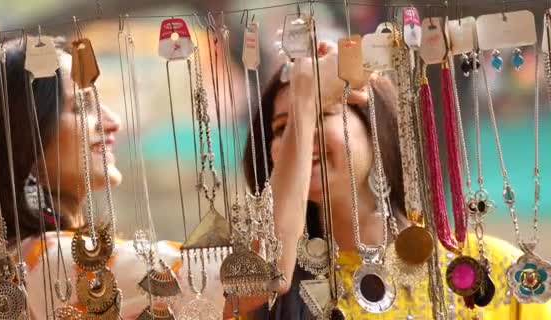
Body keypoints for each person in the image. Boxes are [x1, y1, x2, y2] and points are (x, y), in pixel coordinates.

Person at [231, 42, 551, 319]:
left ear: (375, 131)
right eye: (280, 129)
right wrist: (302, 99)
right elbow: (265, 281)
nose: (296, 142)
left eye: (322, 114)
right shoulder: (255, 284)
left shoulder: (495, 268)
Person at [0, 38, 222, 319]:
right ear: (25, 141)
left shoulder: (27, 256)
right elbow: (232, 281)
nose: (113, 121)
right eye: (82, 107)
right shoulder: (52, 261)